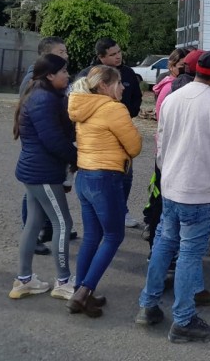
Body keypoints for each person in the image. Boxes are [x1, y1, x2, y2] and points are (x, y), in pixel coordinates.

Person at [136, 51, 210, 344]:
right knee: (190, 255)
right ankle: (183, 320)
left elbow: (162, 144)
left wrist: (167, 178)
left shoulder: (171, 98)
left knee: (164, 244)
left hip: (172, 187)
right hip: (200, 192)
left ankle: (148, 304)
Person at [67, 65, 143, 317]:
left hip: (85, 175)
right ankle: (84, 291)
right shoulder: (113, 108)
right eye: (119, 83)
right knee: (113, 236)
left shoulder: (82, 106)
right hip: (106, 177)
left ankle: (80, 289)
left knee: (92, 236)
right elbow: (134, 146)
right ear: (104, 86)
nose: (123, 88)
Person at [9, 54, 78, 300]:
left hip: (35, 171)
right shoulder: (44, 99)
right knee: (63, 223)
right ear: (50, 75)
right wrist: (77, 158)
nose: (67, 75)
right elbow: (53, 140)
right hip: (43, 172)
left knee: (34, 223)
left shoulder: (42, 95)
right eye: (64, 72)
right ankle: (63, 281)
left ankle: (24, 280)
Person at [77, 38, 143, 228]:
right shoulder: (88, 75)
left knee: (126, 174)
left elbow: (137, 98)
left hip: (122, 125)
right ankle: (103, 214)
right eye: (112, 54)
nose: (118, 56)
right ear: (101, 57)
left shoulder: (128, 73)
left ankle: (122, 210)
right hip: (97, 137)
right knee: (102, 179)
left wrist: (128, 113)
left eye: (119, 52)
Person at [18, 36, 74, 256]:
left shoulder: (52, 86)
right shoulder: (37, 87)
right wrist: (75, 156)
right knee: (37, 198)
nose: (66, 56)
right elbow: (47, 132)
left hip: (46, 156)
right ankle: (61, 279)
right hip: (41, 158)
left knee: (43, 200)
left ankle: (47, 230)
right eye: (61, 52)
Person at [142, 47, 189, 246]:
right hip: (168, 152)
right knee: (162, 198)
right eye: (181, 66)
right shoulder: (170, 89)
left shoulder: (176, 85)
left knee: (161, 197)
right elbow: (165, 123)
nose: (185, 70)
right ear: (171, 66)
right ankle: (154, 238)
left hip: (168, 151)